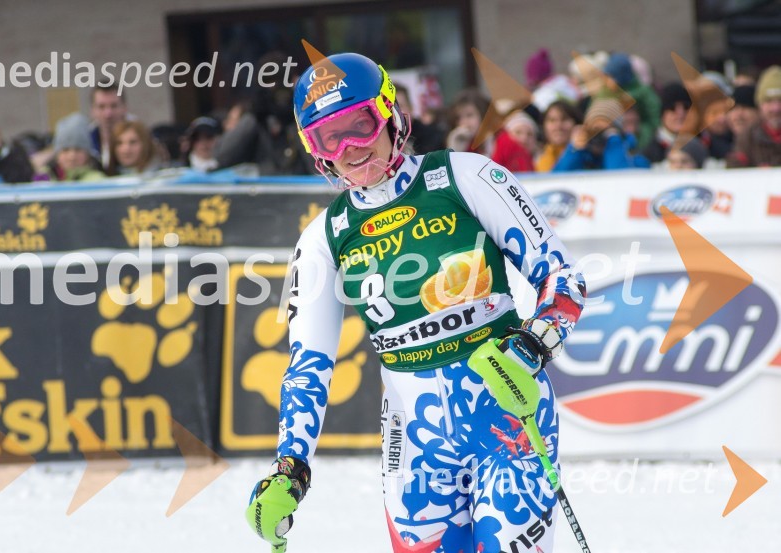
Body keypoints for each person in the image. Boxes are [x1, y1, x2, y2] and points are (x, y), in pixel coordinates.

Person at [246, 52, 587, 553]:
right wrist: (289, 468)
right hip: (414, 447)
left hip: (508, 425)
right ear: (313, 150)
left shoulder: (464, 177)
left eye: (360, 125)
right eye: (328, 138)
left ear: (389, 114)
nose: (350, 148)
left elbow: (563, 277)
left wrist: (530, 347)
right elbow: (308, 365)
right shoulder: (324, 237)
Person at [553, 97, 650, 171]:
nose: (598, 135)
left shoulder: (635, 159)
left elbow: (620, 177)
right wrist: (574, 149)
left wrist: (613, 140)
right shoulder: (581, 157)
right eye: (594, 130)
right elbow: (556, 181)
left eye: (603, 131)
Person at [727, 65, 781, 168]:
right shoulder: (747, 137)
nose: (776, 108)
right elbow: (733, 170)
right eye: (769, 101)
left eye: (780, 101)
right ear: (759, 105)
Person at [40, 113, 106, 182]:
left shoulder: (98, 181)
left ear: (88, 154)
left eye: (78, 149)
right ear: (57, 154)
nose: (72, 157)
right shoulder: (43, 179)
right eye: (66, 150)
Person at [90, 83, 130, 169]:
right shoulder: (86, 144)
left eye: (114, 106)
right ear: (93, 110)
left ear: (124, 108)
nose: (108, 114)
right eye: (101, 107)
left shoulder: (142, 141)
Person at [535, 100, 582, 172]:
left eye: (564, 119)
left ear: (576, 124)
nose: (558, 126)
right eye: (552, 120)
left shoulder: (588, 155)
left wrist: (574, 148)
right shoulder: (537, 158)